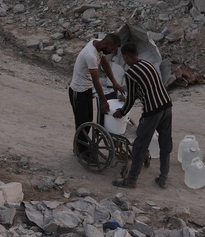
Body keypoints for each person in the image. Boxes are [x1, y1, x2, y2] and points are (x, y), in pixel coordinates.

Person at [111, 43, 173, 190]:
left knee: (140, 144)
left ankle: (131, 180)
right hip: (166, 106)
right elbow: (149, 87)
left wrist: (121, 112)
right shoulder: (148, 64)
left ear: (125, 57)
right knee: (165, 142)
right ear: (137, 53)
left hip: (152, 111)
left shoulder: (130, 73)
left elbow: (131, 98)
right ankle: (163, 178)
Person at [70, 33, 124, 159]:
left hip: (87, 89)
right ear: (106, 44)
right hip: (78, 91)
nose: (112, 52)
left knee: (88, 120)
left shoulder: (99, 44)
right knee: (82, 122)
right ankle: (80, 149)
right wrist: (104, 101)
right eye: (112, 49)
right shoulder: (91, 55)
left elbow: (105, 65)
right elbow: (96, 80)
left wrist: (114, 82)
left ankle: (82, 146)